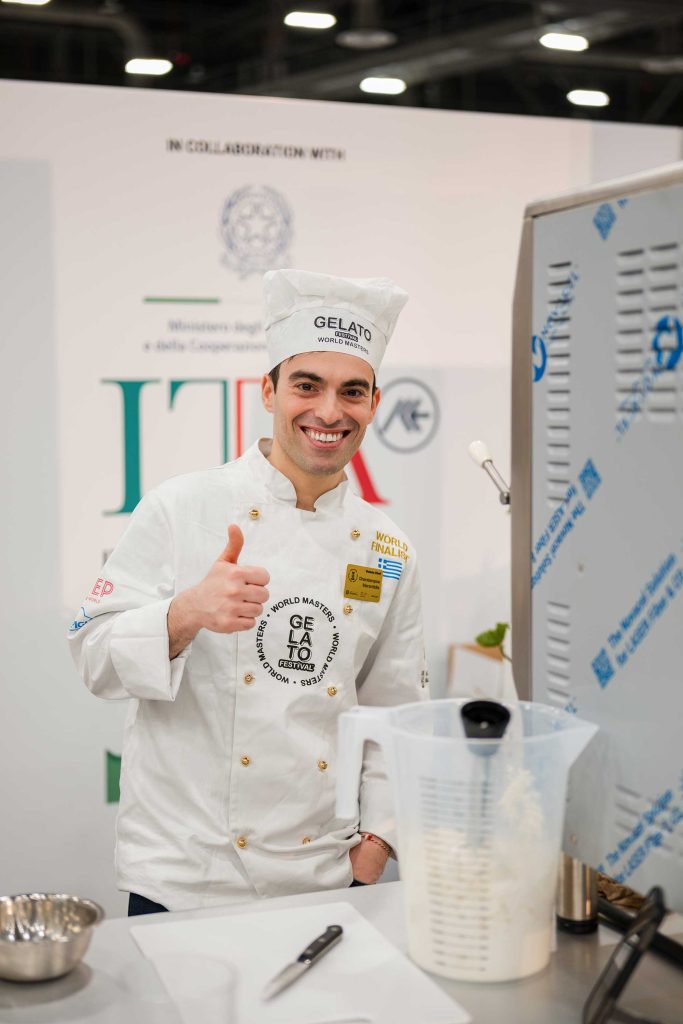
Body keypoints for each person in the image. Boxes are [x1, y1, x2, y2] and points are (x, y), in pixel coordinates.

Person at [68, 269, 428, 916]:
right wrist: (184, 614)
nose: (328, 411)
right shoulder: (183, 507)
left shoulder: (388, 549)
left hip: (321, 877)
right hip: (184, 875)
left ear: (374, 403)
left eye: (351, 391)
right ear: (268, 390)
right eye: (306, 385)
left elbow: (395, 712)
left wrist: (375, 847)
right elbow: (93, 655)